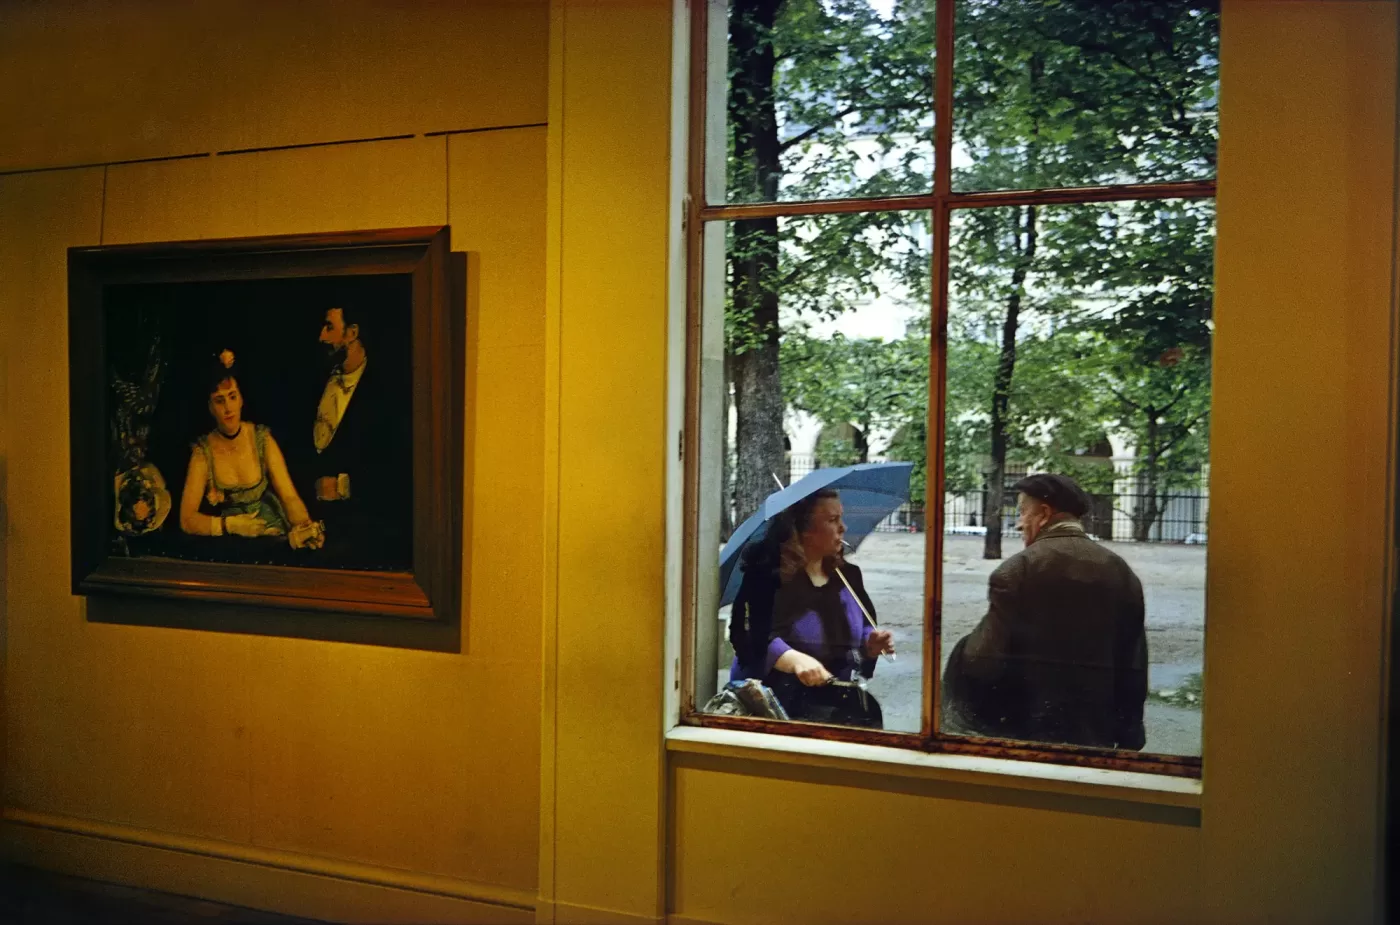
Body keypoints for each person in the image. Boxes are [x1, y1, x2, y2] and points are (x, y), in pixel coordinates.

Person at [942, 473, 1147, 750]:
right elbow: (1133, 666)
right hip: (1094, 736)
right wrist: (1129, 738)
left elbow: (982, 661)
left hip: (1026, 736)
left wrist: (961, 651)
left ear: (1044, 514)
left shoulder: (1019, 569)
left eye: (1022, 512)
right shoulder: (1120, 572)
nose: (1018, 523)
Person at [761, 488, 895, 725]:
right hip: (788, 708)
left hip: (842, 703)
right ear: (804, 531)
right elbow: (759, 639)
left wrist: (870, 644)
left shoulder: (848, 575)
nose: (843, 528)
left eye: (841, 518)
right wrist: (795, 660)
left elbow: (862, 628)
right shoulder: (775, 580)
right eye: (832, 520)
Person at [301, 304, 412, 568]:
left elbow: (399, 472)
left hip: (363, 536)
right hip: (310, 527)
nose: (321, 337)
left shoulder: (388, 391)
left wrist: (342, 487)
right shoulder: (315, 381)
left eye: (329, 327)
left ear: (352, 333)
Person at [178, 349, 323, 549]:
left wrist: (305, 526)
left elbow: (289, 496)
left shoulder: (261, 439)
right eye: (220, 401)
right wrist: (230, 525)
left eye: (232, 397)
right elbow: (186, 520)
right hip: (231, 542)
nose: (228, 408)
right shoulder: (203, 452)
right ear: (210, 407)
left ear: (242, 399)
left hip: (274, 535)